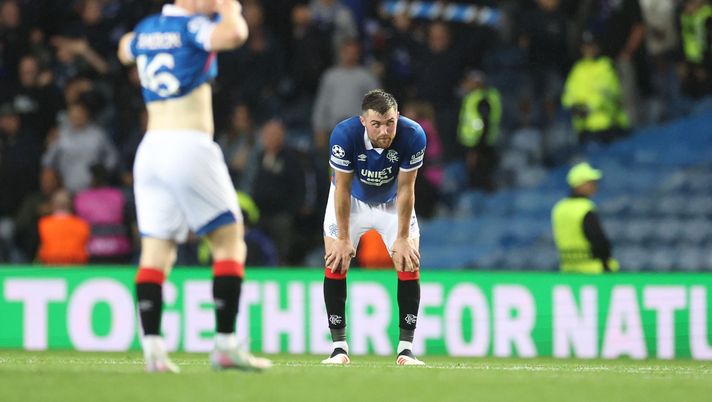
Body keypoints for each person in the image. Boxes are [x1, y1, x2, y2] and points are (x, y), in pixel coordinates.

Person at [117, 0, 270, 373]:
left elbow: (124, 49)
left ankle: (153, 351)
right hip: (188, 145)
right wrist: (230, 8)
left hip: (150, 149)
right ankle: (224, 345)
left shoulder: (149, 28)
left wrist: (146, 41)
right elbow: (234, 33)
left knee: (157, 250)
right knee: (230, 237)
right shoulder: (192, 27)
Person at [322, 89, 425, 366]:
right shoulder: (343, 136)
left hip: (391, 202)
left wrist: (402, 237)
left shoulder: (413, 135)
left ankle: (406, 349)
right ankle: (339, 348)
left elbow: (406, 189)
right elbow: (341, 189)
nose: (385, 131)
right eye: (376, 124)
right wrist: (343, 238)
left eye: (390, 122)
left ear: (398, 117)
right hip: (351, 201)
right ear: (363, 121)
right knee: (335, 261)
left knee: (408, 260)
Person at [562, 32, 629, 145]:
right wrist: (573, 106)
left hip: (608, 127)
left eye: (591, 46)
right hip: (584, 128)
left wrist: (587, 108)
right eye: (586, 47)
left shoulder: (605, 66)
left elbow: (604, 93)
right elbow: (568, 93)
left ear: (597, 47)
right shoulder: (578, 68)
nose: (589, 50)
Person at [551, 162, 619, 274]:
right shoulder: (584, 208)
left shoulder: (559, 208)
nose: (595, 186)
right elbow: (598, 239)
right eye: (591, 182)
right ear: (580, 184)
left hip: (568, 268)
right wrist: (606, 263)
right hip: (592, 269)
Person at [37, 189, 90, 265]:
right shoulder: (83, 224)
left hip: (51, 269)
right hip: (77, 270)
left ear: (54, 204)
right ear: (71, 205)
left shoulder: (43, 224)